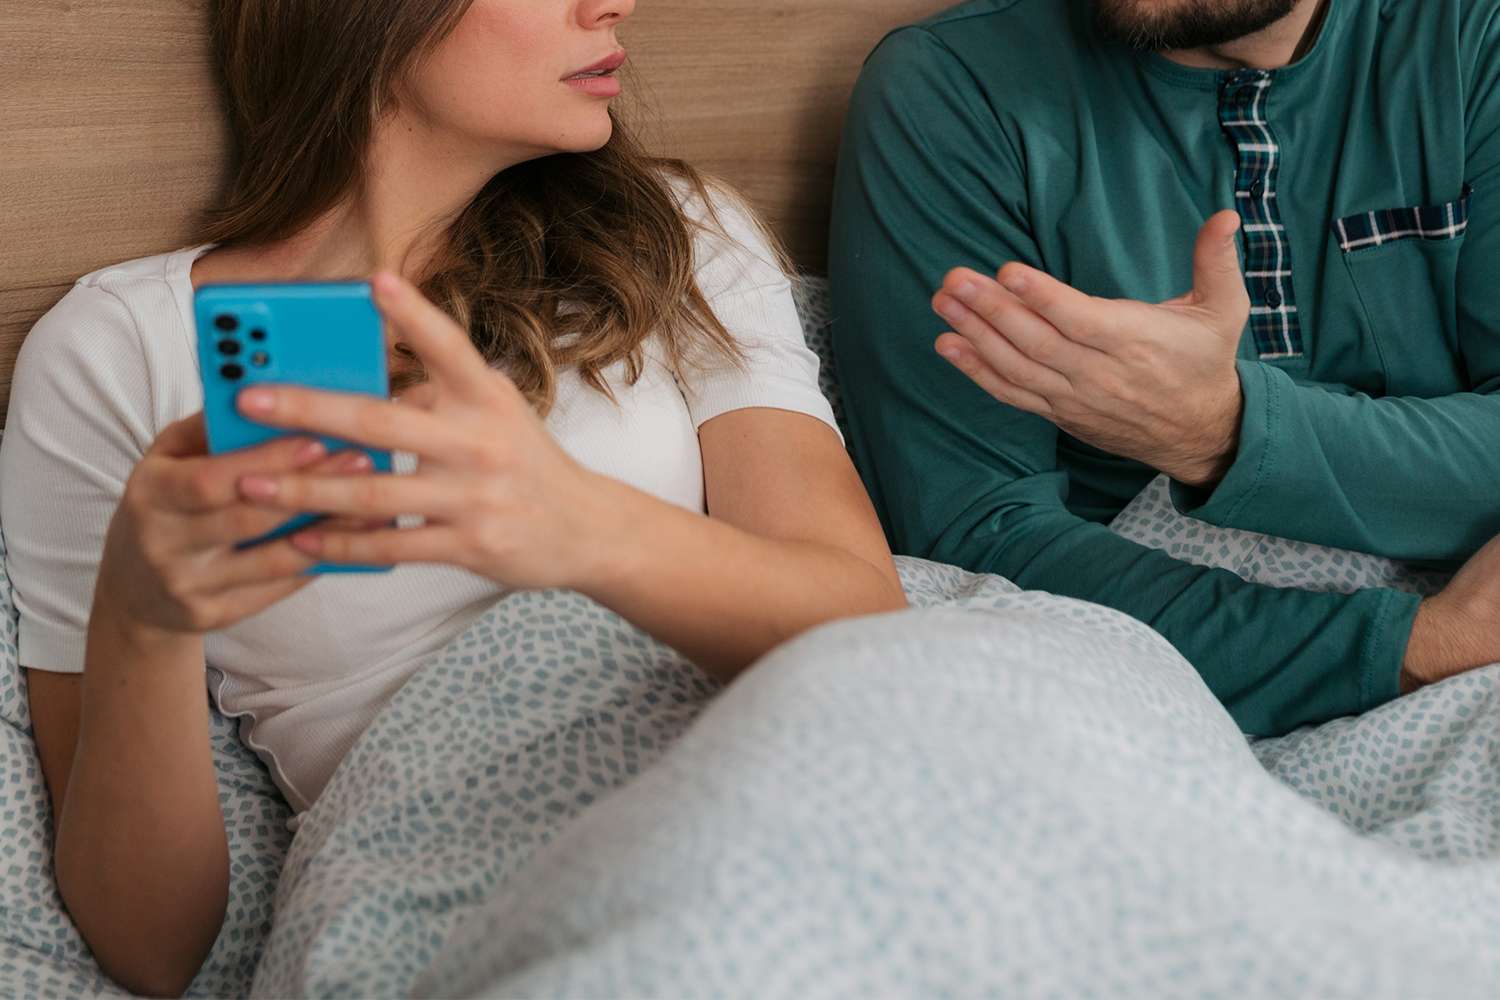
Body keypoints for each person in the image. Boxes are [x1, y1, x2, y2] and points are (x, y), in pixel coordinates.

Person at [0, 0, 907, 993]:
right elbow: (150, 948)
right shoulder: (121, 349)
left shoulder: (675, 234)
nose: (613, 3)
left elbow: (868, 625)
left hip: (782, 788)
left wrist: (580, 527)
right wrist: (142, 618)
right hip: (468, 894)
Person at [829, 0, 1500, 739]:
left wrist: (1227, 431)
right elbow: (977, 533)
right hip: (1150, 675)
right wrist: (1403, 648)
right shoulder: (959, 89)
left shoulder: (1473, 39)